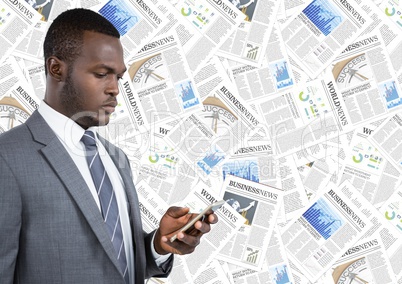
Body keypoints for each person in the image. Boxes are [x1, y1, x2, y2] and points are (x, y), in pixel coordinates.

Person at [0, 8, 217, 284]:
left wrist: (159, 245)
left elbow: (115, 261)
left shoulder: (116, 159)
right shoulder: (7, 158)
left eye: (119, 77)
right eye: (102, 73)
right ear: (56, 69)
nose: (115, 89)